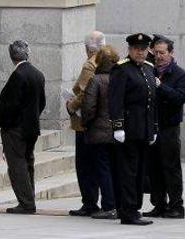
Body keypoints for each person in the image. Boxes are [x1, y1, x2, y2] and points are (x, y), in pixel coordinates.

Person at [0, 40, 46, 214]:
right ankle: (29, 198)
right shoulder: (38, 73)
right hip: (31, 127)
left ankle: (26, 202)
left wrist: (6, 125)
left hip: (16, 129)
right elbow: (42, 103)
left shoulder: (18, 75)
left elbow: (11, 105)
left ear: (11, 56)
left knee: (17, 164)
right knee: (28, 161)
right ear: (27, 54)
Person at [109, 33, 158, 226]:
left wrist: (153, 127)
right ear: (130, 50)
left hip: (144, 129)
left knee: (139, 171)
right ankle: (128, 211)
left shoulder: (148, 69)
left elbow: (152, 102)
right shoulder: (122, 69)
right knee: (128, 172)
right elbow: (115, 100)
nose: (141, 52)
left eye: (144, 49)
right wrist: (118, 126)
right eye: (137, 49)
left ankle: (134, 208)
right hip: (128, 129)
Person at [144, 34, 185, 219]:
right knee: (153, 168)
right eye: (156, 53)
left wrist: (161, 86)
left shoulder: (179, 74)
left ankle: (177, 206)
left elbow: (180, 98)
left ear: (171, 53)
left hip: (169, 127)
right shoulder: (150, 70)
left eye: (162, 53)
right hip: (152, 127)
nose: (158, 56)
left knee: (171, 168)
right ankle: (159, 204)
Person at [67, 30, 106, 217]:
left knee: (84, 165)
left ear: (87, 49)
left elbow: (84, 93)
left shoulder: (90, 65)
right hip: (103, 123)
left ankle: (89, 202)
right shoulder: (111, 62)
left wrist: (70, 106)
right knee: (100, 164)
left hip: (85, 122)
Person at [81, 44, 121, 220]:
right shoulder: (121, 79)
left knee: (103, 170)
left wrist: (86, 123)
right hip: (119, 132)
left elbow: (89, 107)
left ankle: (109, 206)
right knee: (115, 170)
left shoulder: (96, 80)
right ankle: (117, 204)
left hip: (99, 133)